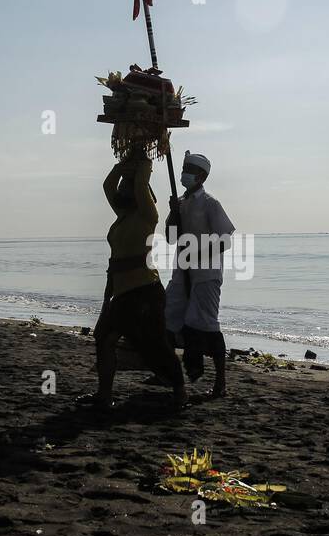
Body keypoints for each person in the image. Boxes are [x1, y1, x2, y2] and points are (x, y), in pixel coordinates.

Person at [87, 150, 185, 410]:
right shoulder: (122, 215)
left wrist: (144, 163)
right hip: (121, 291)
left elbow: (141, 184)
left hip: (144, 292)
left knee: (155, 347)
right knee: (104, 340)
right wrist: (124, 164)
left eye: (128, 186)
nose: (123, 188)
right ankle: (104, 395)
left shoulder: (147, 216)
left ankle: (179, 390)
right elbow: (108, 185)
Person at [164, 152, 235, 397]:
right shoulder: (181, 202)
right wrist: (173, 212)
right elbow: (171, 237)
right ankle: (171, 372)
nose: (185, 173)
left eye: (190, 169)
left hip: (206, 275)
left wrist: (198, 256)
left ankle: (220, 383)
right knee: (168, 319)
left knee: (206, 326)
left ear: (202, 176)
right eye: (184, 168)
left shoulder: (210, 204)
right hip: (182, 272)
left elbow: (225, 240)